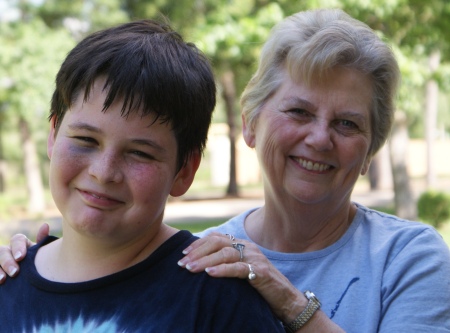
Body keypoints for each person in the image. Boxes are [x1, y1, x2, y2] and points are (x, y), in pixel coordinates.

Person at [1, 8, 450, 333]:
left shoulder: (408, 258)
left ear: (372, 148)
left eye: (347, 123)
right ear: (249, 124)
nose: (319, 138)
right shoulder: (205, 261)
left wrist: (291, 303)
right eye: (298, 111)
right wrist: (30, 267)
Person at [0, 19, 284, 333]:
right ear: (53, 134)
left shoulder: (218, 299)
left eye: (140, 153)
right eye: (85, 140)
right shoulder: (6, 281)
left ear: (185, 171)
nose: (104, 172)